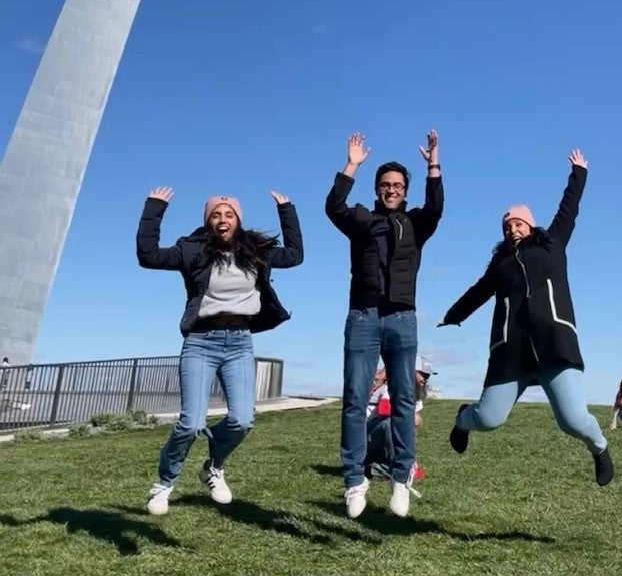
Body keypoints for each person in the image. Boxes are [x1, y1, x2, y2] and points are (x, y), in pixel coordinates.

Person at [438, 149, 613, 487]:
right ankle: (462, 419)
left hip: (555, 343)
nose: (512, 229)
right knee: (488, 418)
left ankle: (600, 447)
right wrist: (452, 315)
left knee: (573, 420)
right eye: (507, 226)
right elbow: (477, 292)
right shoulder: (500, 263)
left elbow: (569, 209)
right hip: (512, 350)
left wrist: (578, 173)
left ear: (530, 224)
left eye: (517, 223)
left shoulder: (553, 244)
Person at [137, 188, 303, 515]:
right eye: (216, 214)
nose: (222, 219)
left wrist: (287, 211)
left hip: (240, 341)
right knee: (190, 423)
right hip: (201, 341)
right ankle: (164, 483)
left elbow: (295, 255)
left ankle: (213, 465)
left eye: (229, 214)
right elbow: (149, 255)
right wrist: (155, 209)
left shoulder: (257, 250)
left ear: (238, 220)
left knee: (242, 421)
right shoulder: (192, 250)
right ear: (208, 221)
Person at [326, 130, 443, 519]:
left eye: (397, 185)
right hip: (363, 315)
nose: (391, 190)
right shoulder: (362, 219)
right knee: (356, 400)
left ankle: (400, 479)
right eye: (385, 185)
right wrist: (352, 165)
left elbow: (437, 206)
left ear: (405, 191)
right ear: (377, 189)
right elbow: (333, 206)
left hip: (402, 318)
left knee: (405, 402)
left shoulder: (415, 224)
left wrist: (432, 166)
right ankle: (354, 481)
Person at [366, 356, 435, 483]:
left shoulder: (415, 393)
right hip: (366, 436)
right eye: (423, 375)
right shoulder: (393, 386)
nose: (425, 379)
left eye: (428, 376)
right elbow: (383, 410)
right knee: (392, 423)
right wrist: (410, 414)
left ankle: (395, 467)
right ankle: (400, 468)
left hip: (380, 440)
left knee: (405, 425)